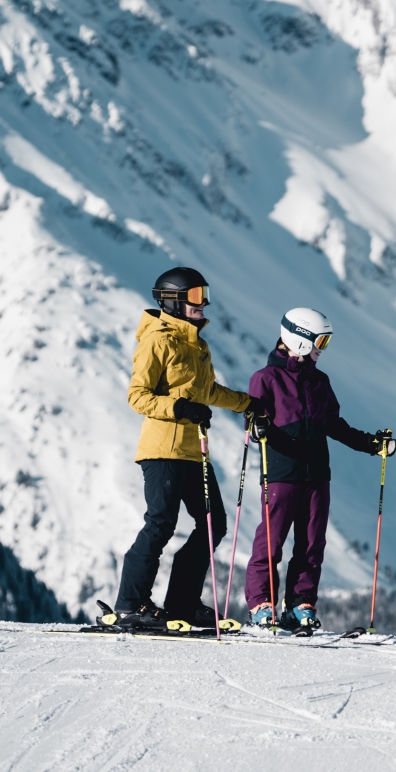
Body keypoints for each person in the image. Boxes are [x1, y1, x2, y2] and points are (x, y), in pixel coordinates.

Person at [113, 266, 258, 629]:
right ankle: (131, 603)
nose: (204, 303)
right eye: (196, 296)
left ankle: (181, 604)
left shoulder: (197, 344)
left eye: (204, 294)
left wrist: (249, 404)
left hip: (195, 451)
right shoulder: (157, 340)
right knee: (160, 523)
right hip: (162, 449)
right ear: (173, 301)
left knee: (213, 524)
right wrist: (177, 407)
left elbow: (207, 392)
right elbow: (138, 395)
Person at [243, 307, 396, 631]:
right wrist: (257, 427)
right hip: (282, 473)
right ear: (299, 340)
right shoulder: (266, 379)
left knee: (312, 544)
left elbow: (334, 425)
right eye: (319, 341)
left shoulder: (319, 381)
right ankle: (261, 604)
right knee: (271, 541)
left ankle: (300, 604)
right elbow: (254, 419)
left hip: (317, 476)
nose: (321, 349)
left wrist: (372, 444)